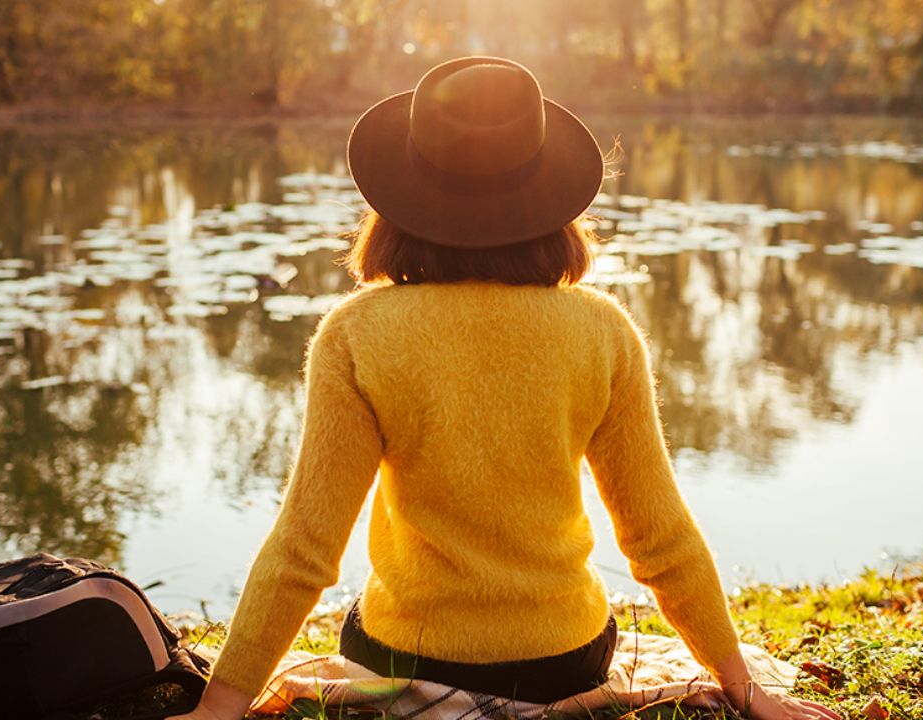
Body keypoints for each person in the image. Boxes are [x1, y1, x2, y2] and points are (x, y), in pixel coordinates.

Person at [173, 57, 841, 720]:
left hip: (408, 658)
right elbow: (660, 535)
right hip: (566, 660)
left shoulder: (355, 333)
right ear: (549, 199)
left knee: (362, 614)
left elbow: (305, 544)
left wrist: (220, 707)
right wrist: (744, 689)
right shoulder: (604, 331)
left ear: (398, 202)